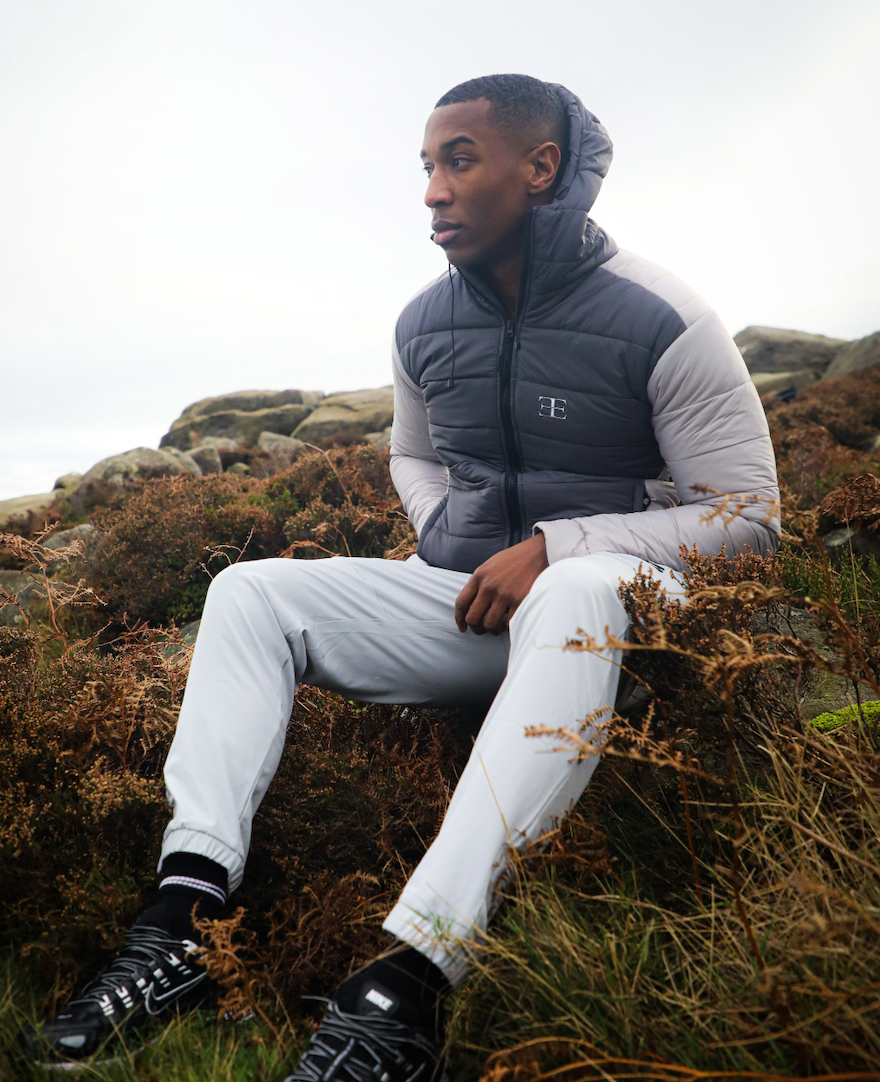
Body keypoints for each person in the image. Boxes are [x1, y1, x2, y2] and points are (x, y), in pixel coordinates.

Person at [22, 74, 779, 1080]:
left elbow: (748, 517)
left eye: (459, 160)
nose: (433, 190)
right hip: (472, 606)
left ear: (539, 166)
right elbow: (412, 455)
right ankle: (184, 920)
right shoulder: (423, 323)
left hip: (623, 619)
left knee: (575, 588)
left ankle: (411, 979)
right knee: (250, 591)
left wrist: (558, 546)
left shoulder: (663, 318)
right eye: (426, 165)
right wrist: (441, 527)